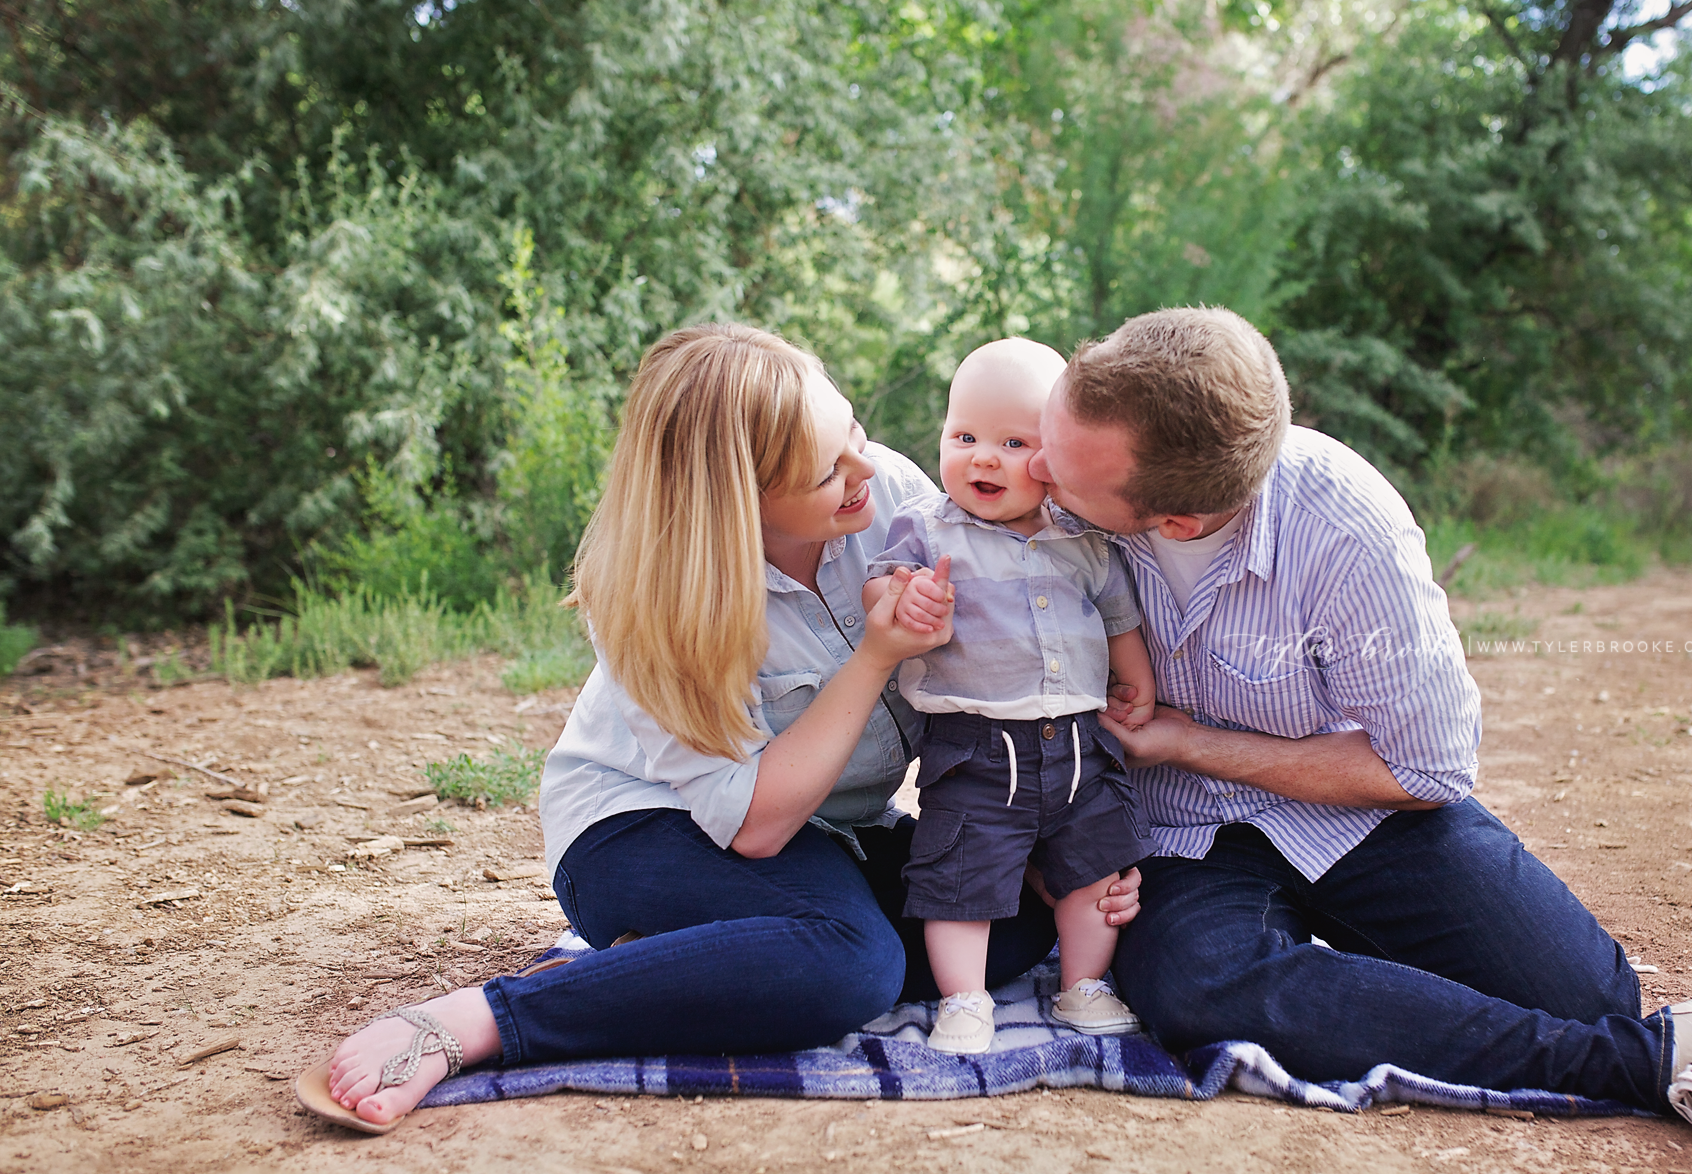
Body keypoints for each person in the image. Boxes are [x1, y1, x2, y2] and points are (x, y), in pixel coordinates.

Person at [1028, 306, 1692, 1161]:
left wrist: (1187, 740)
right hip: (1177, 832)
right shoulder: (1047, 496)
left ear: (1173, 519)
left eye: (1061, 471)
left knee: (1588, 991)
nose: (1037, 472)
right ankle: (1650, 1063)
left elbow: (1424, 765)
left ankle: (1598, 1034)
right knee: (1198, 992)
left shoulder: (1346, 530)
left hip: (1353, 806)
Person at [296, 324, 1139, 1133]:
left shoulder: (895, 496)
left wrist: (1038, 837)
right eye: (824, 472)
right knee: (851, 963)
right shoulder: (659, 603)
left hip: (832, 828)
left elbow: (1013, 663)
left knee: (1014, 923)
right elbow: (756, 826)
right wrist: (877, 653)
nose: (864, 470)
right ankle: (487, 1016)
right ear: (742, 499)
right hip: (648, 828)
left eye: (855, 431)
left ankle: (693, 958)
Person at [860, 338, 1157, 1054]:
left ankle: (1082, 983)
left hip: (1081, 745)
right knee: (960, 873)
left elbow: (1118, 616)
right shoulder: (927, 528)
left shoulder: (1082, 540)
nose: (982, 456)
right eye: (963, 436)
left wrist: (1136, 679)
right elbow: (882, 586)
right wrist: (906, 600)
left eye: (1011, 441)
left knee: (1095, 868)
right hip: (975, 750)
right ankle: (965, 998)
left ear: (1053, 457)